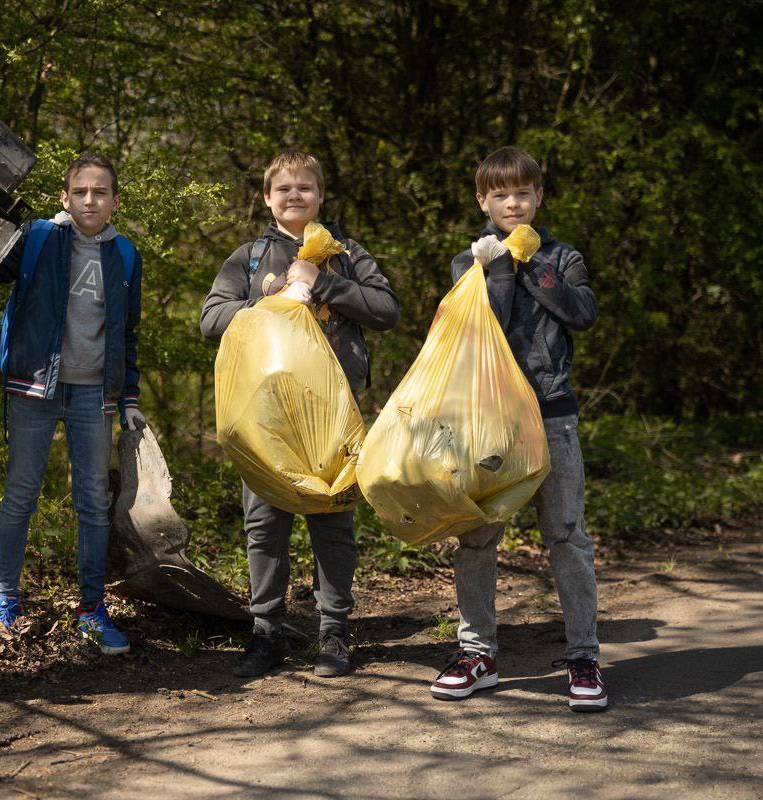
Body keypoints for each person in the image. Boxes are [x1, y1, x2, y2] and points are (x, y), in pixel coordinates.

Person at [0, 153, 145, 653]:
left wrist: (128, 396)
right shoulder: (38, 237)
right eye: (81, 192)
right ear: (65, 198)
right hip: (33, 385)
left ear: (114, 201)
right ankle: (4, 599)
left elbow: (127, 333)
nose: (91, 200)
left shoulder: (126, 255)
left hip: (95, 393)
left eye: (101, 192)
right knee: (20, 494)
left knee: (93, 502)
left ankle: (92, 609)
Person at [200, 150, 399, 678]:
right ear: (267, 197)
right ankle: (267, 633)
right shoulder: (249, 256)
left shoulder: (348, 253)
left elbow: (386, 310)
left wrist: (324, 281)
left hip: (333, 414)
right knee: (264, 525)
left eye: (305, 188)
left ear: (320, 195)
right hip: (267, 415)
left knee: (332, 522)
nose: (294, 196)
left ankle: (333, 632)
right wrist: (275, 300)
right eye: (283, 189)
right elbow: (210, 317)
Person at [431, 145, 606, 711]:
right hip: (489, 420)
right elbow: (491, 320)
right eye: (501, 194)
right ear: (483, 200)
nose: (514, 202)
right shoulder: (470, 261)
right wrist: (502, 264)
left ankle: (584, 658)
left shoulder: (565, 256)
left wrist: (534, 262)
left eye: (523, 193)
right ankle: (477, 653)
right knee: (477, 537)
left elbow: (582, 313)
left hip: (552, 414)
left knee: (567, 537)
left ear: (538, 197)